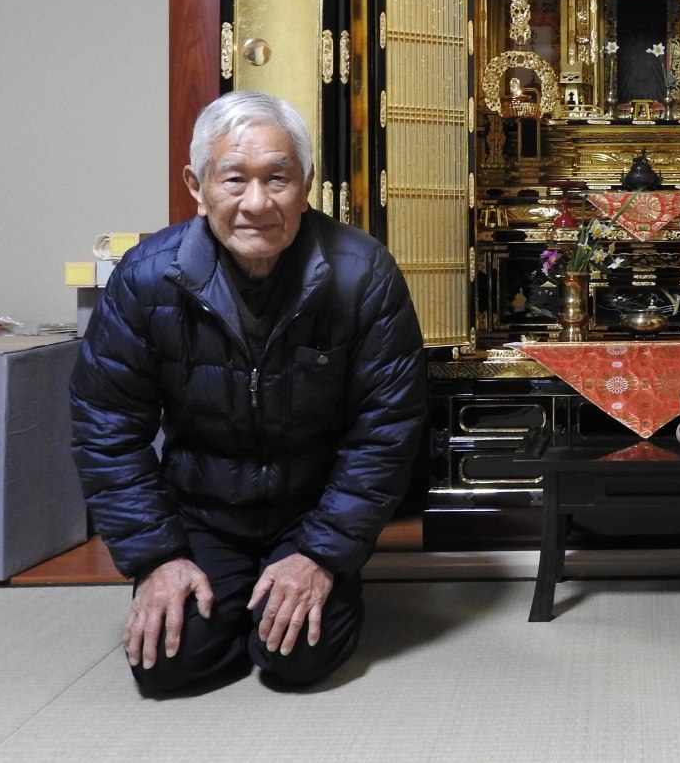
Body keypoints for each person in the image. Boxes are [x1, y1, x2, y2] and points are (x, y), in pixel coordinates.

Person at [69, 90, 426, 694]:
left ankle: (295, 593)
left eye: (277, 179)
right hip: (202, 512)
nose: (256, 203)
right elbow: (107, 427)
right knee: (169, 667)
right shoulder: (145, 275)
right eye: (234, 179)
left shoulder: (362, 273)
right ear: (196, 185)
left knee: (296, 661)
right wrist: (158, 557)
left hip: (313, 511)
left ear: (307, 183)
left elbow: (386, 431)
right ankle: (232, 600)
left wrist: (321, 555)